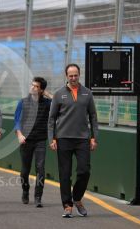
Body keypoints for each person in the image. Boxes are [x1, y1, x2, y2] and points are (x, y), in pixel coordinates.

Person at [48, 63, 98, 218]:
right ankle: (67, 205)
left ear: (79, 74)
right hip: (63, 139)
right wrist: (52, 138)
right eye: (71, 75)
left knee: (84, 171)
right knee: (65, 174)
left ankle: (76, 198)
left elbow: (93, 117)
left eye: (76, 75)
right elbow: (51, 119)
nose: (73, 78)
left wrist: (94, 137)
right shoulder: (58, 94)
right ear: (66, 76)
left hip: (83, 138)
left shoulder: (87, 93)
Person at [14, 77, 52, 207]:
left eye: (36, 86)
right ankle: (25, 191)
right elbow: (17, 121)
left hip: (41, 140)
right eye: (32, 85)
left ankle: (38, 197)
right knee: (25, 171)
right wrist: (19, 135)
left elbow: (61, 104)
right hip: (26, 140)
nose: (32, 87)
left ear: (41, 90)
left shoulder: (47, 104)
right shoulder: (23, 102)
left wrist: (48, 94)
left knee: (40, 169)